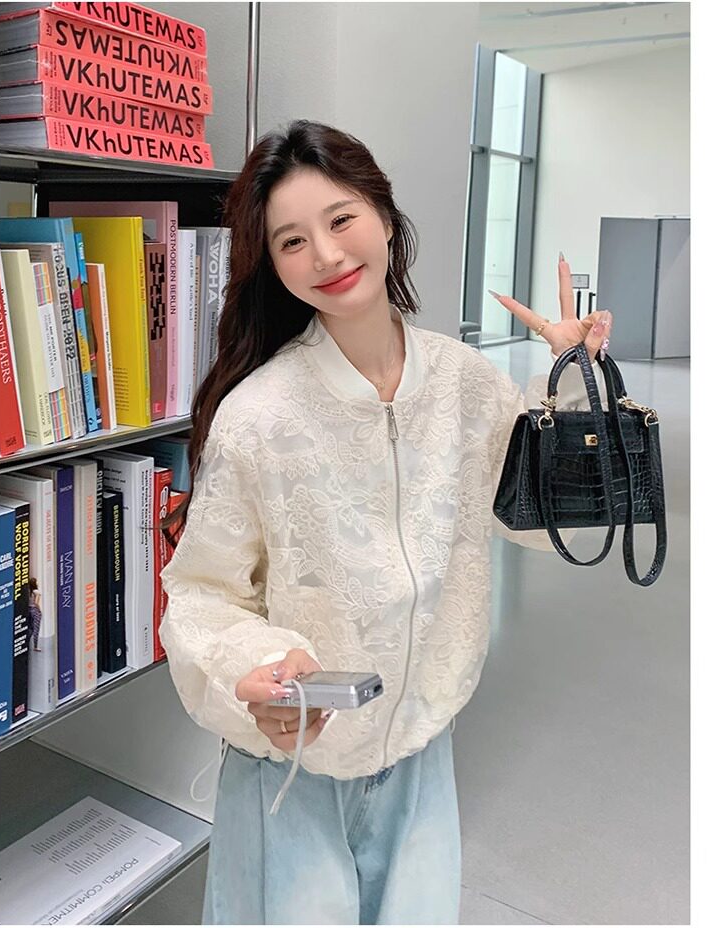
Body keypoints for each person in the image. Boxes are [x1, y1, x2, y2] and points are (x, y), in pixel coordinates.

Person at [159, 119, 613, 926]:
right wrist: (257, 666)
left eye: (341, 219)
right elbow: (201, 595)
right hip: (291, 769)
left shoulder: (466, 384)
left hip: (421, 751)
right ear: (273, 265)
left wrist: (573, 381)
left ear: (383, 214)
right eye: (293, 241)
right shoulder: (258, 417)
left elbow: (548, 517)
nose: (326, 254)